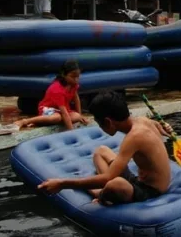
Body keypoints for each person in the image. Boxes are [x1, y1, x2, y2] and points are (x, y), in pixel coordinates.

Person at [37, 91, 172, 205]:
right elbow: (161, 127)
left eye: (98, 122)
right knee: (101, 151)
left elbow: (108, 178)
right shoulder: (143, 120)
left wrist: (62, 183)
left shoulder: (134, 137)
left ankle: (100, 194)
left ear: (108, 122)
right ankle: (99, 188)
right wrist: (166, 127)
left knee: (116, 184)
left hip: (151, 191)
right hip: (139, 180)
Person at [14, 61, 88, 130]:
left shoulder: (73, 84)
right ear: (64, 75)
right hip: (49, 109)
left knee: (77, 117)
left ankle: (43, 121)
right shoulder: (57, 90)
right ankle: (26, 121)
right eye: (72, 76)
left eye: (78, 76)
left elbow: (76, 98)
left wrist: (80, 115)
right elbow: (64, 113)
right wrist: (72, 132)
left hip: (62, 110)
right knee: (57, 118)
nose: (76, 79)